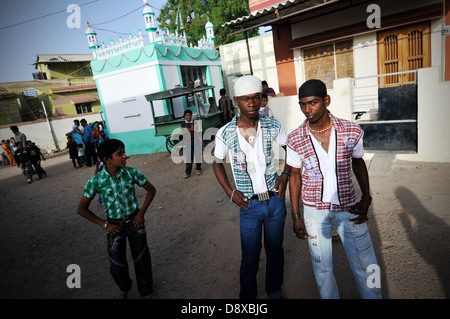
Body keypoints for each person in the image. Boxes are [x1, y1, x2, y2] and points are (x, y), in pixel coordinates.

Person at [286, 79, 381, 299]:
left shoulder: (351, 130)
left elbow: (358, 163)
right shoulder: (295, 138)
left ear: (326, 101)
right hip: (313, 211)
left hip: (349, 207)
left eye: (313, 103)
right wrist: (296, 215)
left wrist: (366, 198)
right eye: (302, 104)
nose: (307, 110)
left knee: (368, 263)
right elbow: (295, 176)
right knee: (322, 269)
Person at [212, 75, 291, 299]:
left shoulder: (272, 125)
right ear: (236, 100)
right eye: (246, 99)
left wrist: (285, 174)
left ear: (261, 98)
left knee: (275, 250)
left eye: (256, 98)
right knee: (250, 257)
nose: (252, 103)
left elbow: (290, 149)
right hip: (249, 206)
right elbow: (216, 163)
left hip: (275, 201)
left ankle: (274, 291)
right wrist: (230, 192)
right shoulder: (226, 132)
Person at [77, 139, 157, 299]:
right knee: (117, 265)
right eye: (120, 154)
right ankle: (124, 288)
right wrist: (104, 224)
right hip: (114, 226)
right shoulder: (96, 181)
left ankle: (146, 292)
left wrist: (141, 214)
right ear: (107, 160)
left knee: (142, 260)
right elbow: (81, 209)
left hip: (135, 222)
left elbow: (151, 190)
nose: (125, 156)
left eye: (124, 152)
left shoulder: (131, 173)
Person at [181, 109, 202, 178]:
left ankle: (198, 169)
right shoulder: (183, 123)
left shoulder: (194, 122)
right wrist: (190, 129)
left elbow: (195, 129)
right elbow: (182, 132)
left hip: (196, 140)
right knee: (189, 158)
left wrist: (187, 129)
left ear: (191, 115)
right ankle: (187, 172)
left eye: (189, 115)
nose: (188, 116)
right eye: (187, 115)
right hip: (188, 142)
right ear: (185, 116)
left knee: (197, 156)